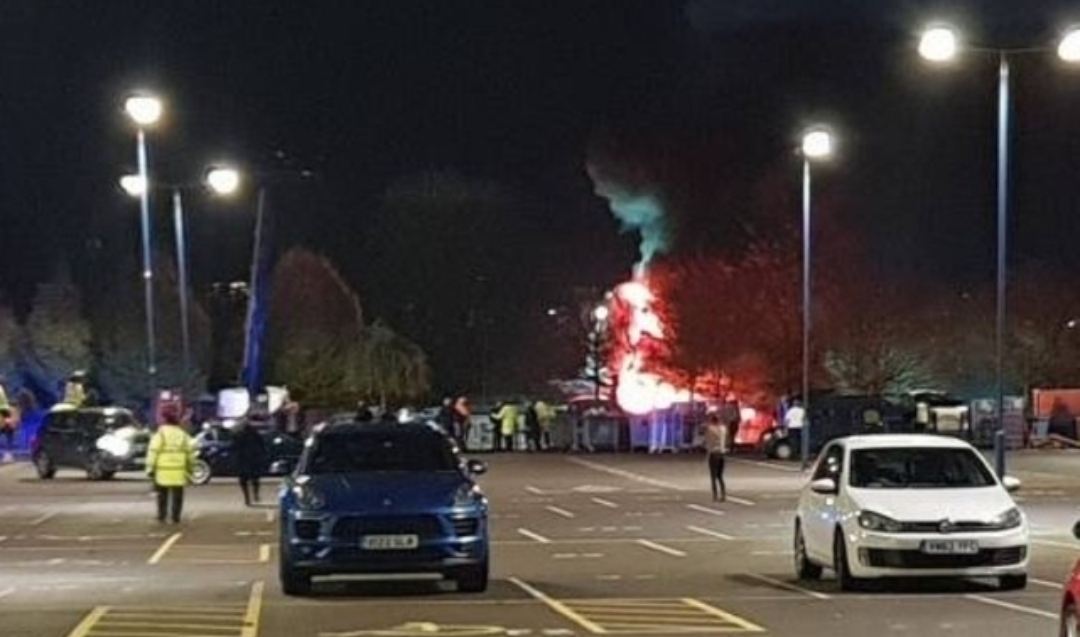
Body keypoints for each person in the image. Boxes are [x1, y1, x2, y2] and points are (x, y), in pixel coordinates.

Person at [146, 403, 197, 524]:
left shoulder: (160, 434)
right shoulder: (182, 435)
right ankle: (175, 517)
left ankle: (162, 515)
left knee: (162, 495)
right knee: (177, 496)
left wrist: (150, 468)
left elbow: (153, 452)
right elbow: (190, 453)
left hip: (162, 471)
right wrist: (191, 469)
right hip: (178, 471)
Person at [233, 418, 269, 506]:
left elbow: (234, 446)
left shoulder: (239, 434)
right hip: (253, 459)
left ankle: (247, 498)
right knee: (255, 479)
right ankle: (255, 494)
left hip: (243, 460)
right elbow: (262, 446)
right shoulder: (255, 434)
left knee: (243, 480)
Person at [700, 412, 730, 502]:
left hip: (713, 454)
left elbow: (701, 429)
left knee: (713, 476)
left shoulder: (709, 429)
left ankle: (715, 495)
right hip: (722, 453)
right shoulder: (723, 429)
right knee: (720, 476)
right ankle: (723, 494)